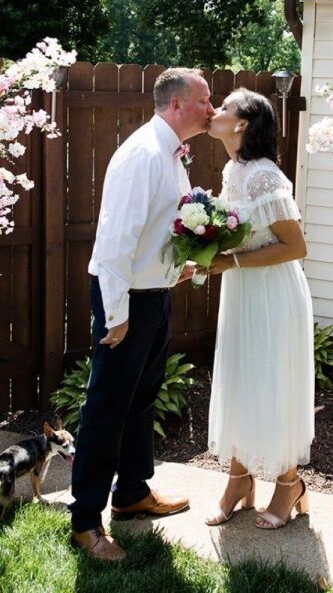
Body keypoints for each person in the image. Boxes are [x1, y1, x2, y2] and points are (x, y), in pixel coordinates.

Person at [70, 68, 214, 560]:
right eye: (204, 100)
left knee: (140, 400)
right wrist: (116, 315)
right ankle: (85, 523)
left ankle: (131, 495)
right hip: (125, 300)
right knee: (106, 409)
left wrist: (176, 267)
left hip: (153, 295)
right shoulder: (142, 155)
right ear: (177, 105)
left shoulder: (172, 155)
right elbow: (114, 242)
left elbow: (155, 230)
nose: (211, 109)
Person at [200, 88, 315, 530]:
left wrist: (229, 261)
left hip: (273, 296)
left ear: (244, 123)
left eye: (225, 108)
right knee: (240, 381)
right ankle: (239, 481)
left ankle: (289, 485)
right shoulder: (234, 170)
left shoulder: (265, 176)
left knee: (272, 384)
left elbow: (295, 246)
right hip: (243, 292)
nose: (216, 112)